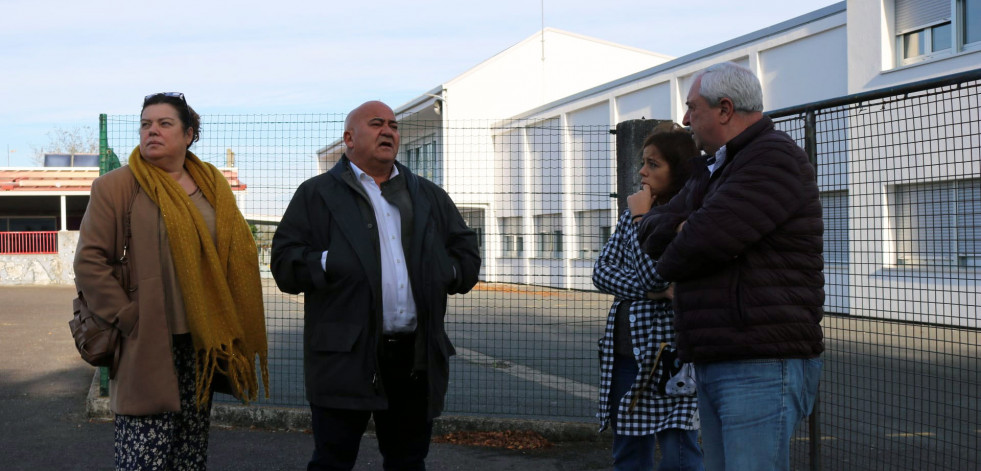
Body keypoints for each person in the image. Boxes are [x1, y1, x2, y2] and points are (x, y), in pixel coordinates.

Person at [271, 100, 481, 470]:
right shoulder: (317, 194)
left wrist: (445, 272)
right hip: (344, 355)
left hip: (415, 357)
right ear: (349, 138)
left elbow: (465, 252)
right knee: (332, 460)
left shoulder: (427, 195)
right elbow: (284, 264)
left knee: (408, 461)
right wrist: (327, 260)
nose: (388, 131)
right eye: (376, 124)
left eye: (393, 126)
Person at [636, 62, 824, 471]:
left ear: (724, 109)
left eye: (692, 108)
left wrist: (684, 233)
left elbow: (698, 243)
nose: (685, 120)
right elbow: (651, 231)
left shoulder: (772, 159)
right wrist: (682, 227)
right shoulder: (715, 167)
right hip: (721, 356)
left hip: (759, 361)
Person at [74, 92, 269, 470]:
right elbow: (90, 261)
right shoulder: (118, 187)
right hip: (146, 340)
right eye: (146, 124)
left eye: (165, 124)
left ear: (189, 134)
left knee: (189, 452)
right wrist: (128, 317)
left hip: (201, 342)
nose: (152, 131)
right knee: (143, 452)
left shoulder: (212, 186)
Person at [593, 123, 703, 471]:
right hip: (627, 355)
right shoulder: (631, 214)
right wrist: (656, 292)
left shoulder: (689, 216)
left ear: (679, 169)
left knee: (679, 453)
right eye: (643, 162)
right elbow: (602, 272)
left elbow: (653, 270)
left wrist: (642, 218)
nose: (642, 171)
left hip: (672, 357)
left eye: (653, 164)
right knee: (628, 452)